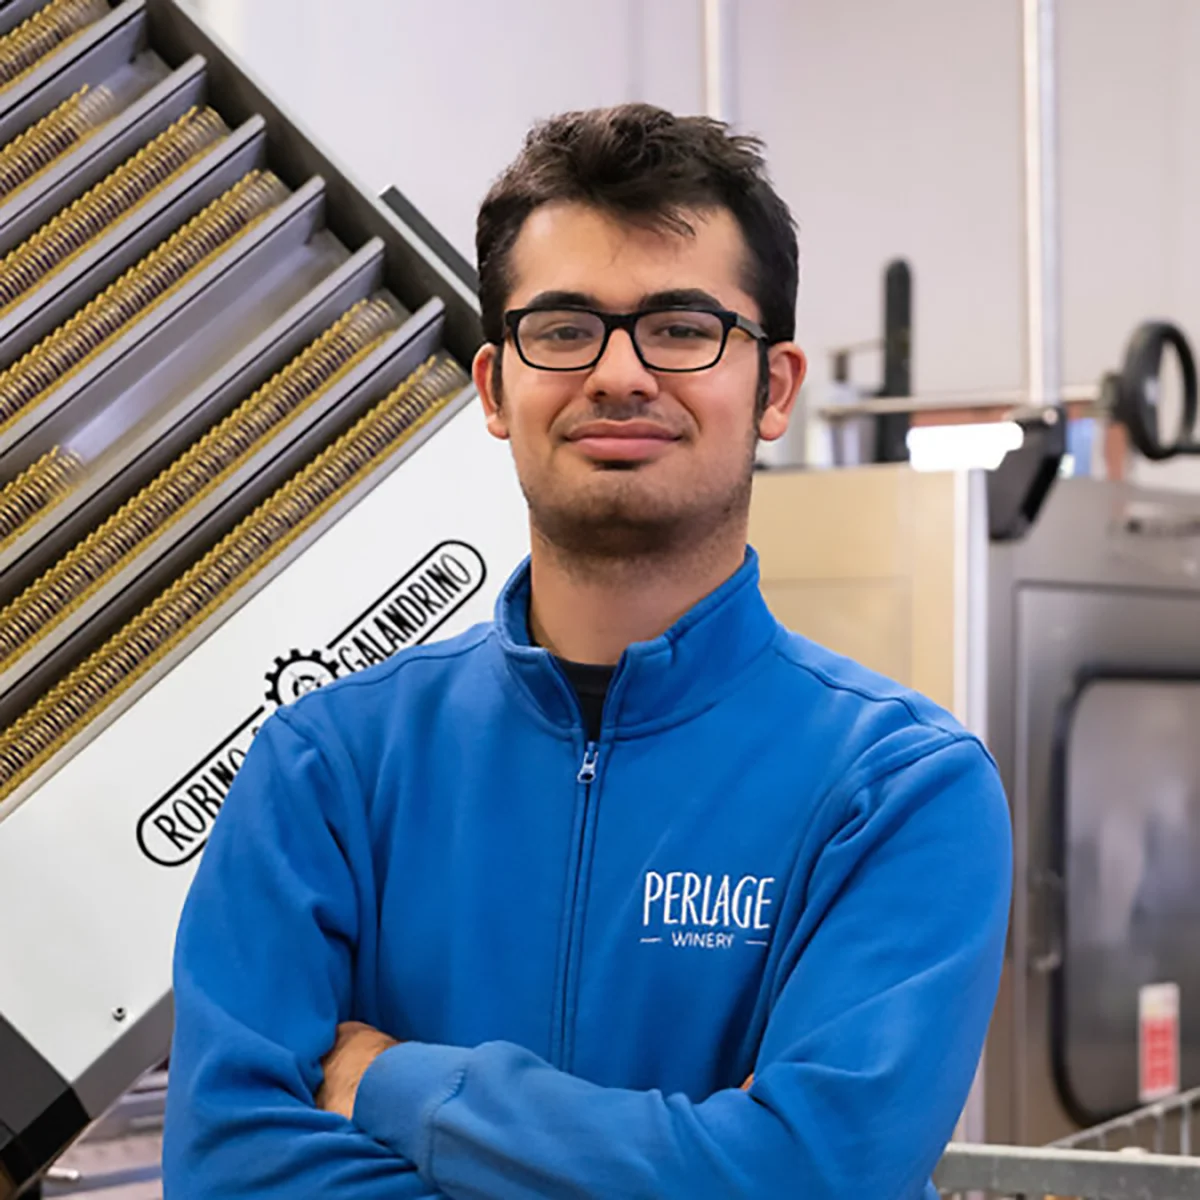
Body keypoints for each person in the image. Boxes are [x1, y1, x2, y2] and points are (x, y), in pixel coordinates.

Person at [163, 103, 1011, 1198]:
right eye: (563, 329)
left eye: (682, 328)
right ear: (493, 388)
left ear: (774, 388)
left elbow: (809, 1175)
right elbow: (231, 1171)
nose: (619, 374)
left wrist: (398, 1084)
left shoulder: (899, 791)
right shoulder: (328, 768)